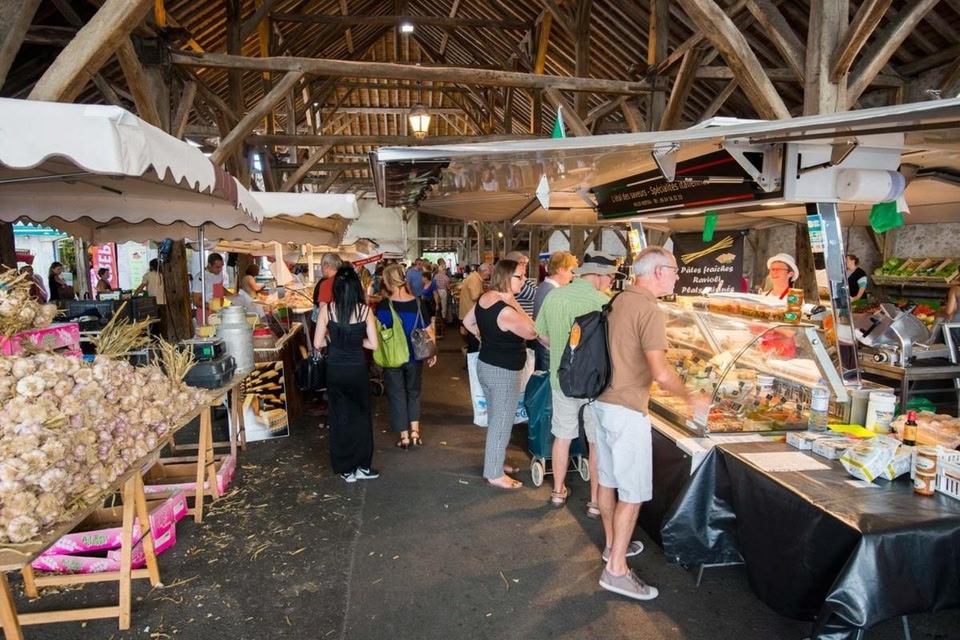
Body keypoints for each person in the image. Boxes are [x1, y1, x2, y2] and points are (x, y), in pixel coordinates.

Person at [594, 247, 709, 601]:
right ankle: (616, 570)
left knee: (608, 481)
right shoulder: (649, 309)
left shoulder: (618, 299)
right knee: (633, 493)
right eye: (674, 270)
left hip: (602, 401)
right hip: (628, 409)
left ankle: (613, 547)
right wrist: (692, 398)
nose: (677, 276)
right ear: (658, 271)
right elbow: (660, 373)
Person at [536, 251, 623, 517]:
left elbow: (540, 335)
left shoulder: (554, 297)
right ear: (597, 276)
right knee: (595, 442)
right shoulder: (605, 303)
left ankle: (557, 491)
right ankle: (595, 501)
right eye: (610, 277)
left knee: (562, 436)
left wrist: (561, 349)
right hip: (595, 385)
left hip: (561, 379)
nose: (610, 282)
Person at [463, 259, 537, 490]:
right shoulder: (506, 310)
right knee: (501, 422)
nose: (524, 281)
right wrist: (513, 302)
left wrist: (485, 337)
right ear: (506, 277)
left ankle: (496, 461)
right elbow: (532, 331)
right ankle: (494, 473)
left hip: (487, 364)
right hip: (503, 372)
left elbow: (467, 321)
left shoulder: (486, 297)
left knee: (498, 418)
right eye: (519, 276)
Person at [313, 266, 380, 483]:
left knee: (339, 415)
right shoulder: (365, 311)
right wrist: (356, 342)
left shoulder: (327, 310)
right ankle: (362, 466)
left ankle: (345, 468)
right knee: (361, 415)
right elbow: (374, 344)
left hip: (335, 369)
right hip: (357, 368)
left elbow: (317, 343)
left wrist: (333, 340)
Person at [376, 264, 437, 450]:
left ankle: (404, 437)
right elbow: (429, 330)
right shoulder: (418, 303)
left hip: (392, 358)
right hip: (414, 357)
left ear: (388, 281)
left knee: (397, 395)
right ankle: (415, 433)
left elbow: (378, 332)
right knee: (413, 392)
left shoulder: (384, 306)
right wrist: (432, 352)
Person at [532, 251, 578, 371]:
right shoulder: (552, 292)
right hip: (549, 349)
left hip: (545, 347)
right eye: (570, 271)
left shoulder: (544, 286)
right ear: (560, 270)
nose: (572, 275)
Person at [458, 262, 492, 354]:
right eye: (489, 272)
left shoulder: (475, 278)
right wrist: (488, 293)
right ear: (483, 271)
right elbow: (475, 297)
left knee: (473, 342)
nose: (489, 275)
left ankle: (470, 359)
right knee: (473, 343)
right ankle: (471, 361)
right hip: (470, 315)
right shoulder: (474, 279)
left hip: (470, 313)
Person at [134, 259, 166, 336]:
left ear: (151, 266)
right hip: (164, 302)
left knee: (153, 324)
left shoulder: (148, 275)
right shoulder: (163, 275)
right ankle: (162, 337)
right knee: (162, 323)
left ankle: (154, 338)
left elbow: (141, 287)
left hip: (153, 303)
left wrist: (134, 296)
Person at [192, 253, 225, 323]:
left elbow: (220, 288)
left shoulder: (219, 273)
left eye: (222, 266)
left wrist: (233, 296)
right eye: (217, 267)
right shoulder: (200, 278)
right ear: (209, 265)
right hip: (206, 314)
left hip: (219, 312)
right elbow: (196, 301)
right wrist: (211, 306)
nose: (220, 269)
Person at [505, 251, 537, 318]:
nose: (524, 266)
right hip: (521, 317)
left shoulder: (521, 279)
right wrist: (523, 279)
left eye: (525, 264)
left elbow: (537, 291)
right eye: (521, 263)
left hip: (525, 316)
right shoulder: (515, 281)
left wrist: (525, 279)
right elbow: (535, 295)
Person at [434, 259, 451, 325]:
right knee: (444, 306)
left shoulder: (435, 276)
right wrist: (450, 289)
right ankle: (443, 319)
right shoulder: (446, 277)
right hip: (443, 291)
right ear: (444, 270)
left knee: (437, 304)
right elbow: (448, 287)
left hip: (436, 291)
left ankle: (437, 318)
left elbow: (434, 284)